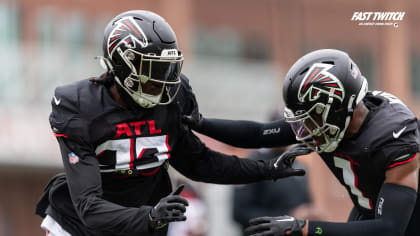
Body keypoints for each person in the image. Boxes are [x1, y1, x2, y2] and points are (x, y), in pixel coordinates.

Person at [34, 10, 311, 236]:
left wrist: (266, 168)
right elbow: (89, 207)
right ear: (122, 64)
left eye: (168, 69)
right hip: (77, 227)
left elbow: (199, 163)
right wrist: (151, 215)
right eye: (153, 69)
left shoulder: (173, 99)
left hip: (143, 225)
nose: (163, 81)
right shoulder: (81, 108)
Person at [184, 49, 420, 236]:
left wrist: (305, 227)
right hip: (366, 213)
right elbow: (259, 134)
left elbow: (389, 227)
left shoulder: (393, 140)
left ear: (338, 108)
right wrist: (201, 123)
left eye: (311, 118)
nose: (303, 131)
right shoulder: (336, 118)